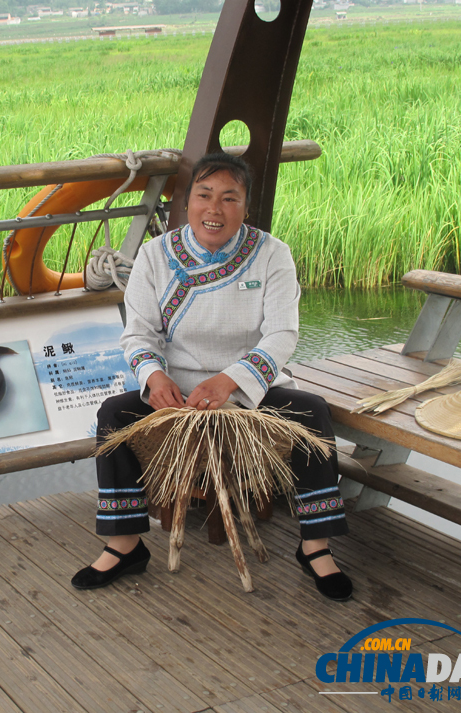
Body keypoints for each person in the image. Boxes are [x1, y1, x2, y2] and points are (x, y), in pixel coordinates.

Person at [71, 152, 352, 601]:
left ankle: (316, 545)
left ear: (245, 205)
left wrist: (229, 381)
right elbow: (138, 335)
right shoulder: (154, 254)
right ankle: (124, 544)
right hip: (178, 393)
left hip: (248, 390)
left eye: (229, 198)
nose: (214, 209)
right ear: (188, 203)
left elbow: (282, 334)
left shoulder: (272, 255)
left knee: (312, 413)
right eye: (204, 195)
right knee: (113, 415)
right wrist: (155, 378)